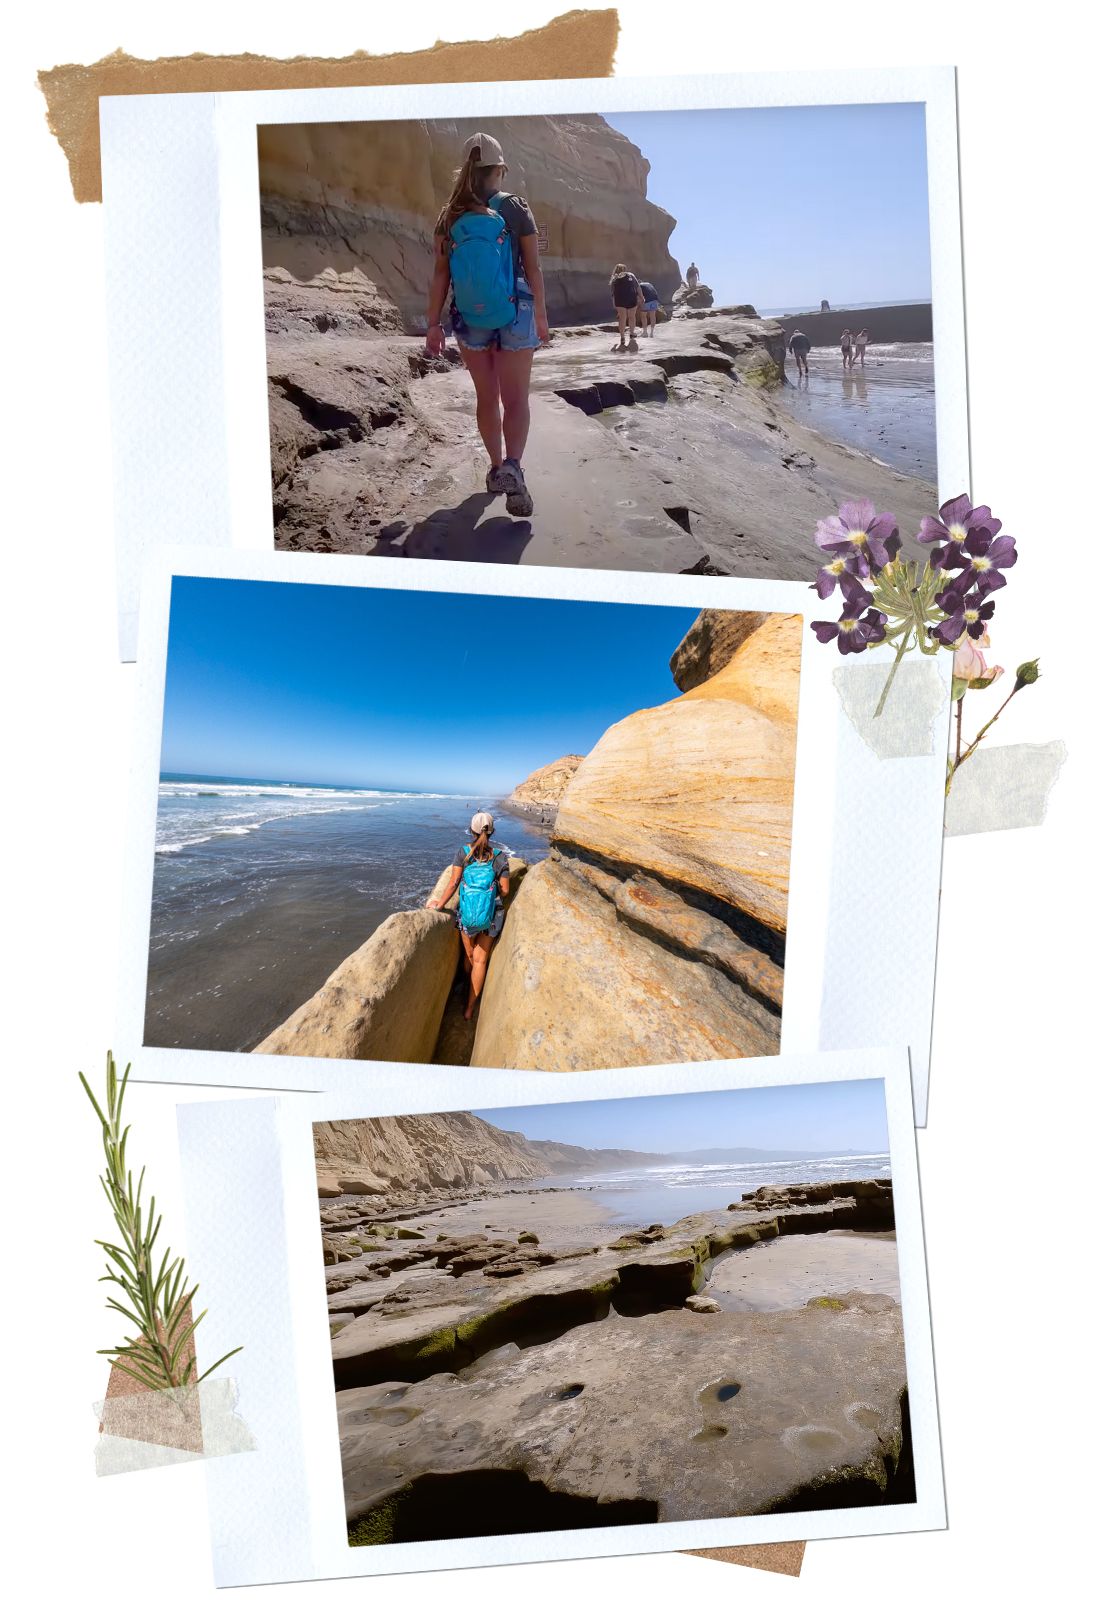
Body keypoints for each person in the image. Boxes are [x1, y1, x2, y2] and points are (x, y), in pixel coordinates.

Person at [425, 132, 550, 519]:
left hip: (470, 317)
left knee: (486, 398)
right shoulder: (515, 207)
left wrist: (433, 324)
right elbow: (532, 267)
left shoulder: (450, 216)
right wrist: (542, 317)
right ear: (499, 169)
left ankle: (497, 468)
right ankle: (514, 466)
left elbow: (441, 275)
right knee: (515, 401)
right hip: (516, 314)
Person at [425, 811, 511, 1021]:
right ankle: (470, 1009)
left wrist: (439, 904)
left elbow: (453, 883)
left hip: (467, 915)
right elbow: (506, 890)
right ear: (492, 831)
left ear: (471, 830)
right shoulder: (500, 857)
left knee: (470, 955)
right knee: (481, 961)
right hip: (491, 915)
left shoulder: (463, 853)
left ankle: (465, 984)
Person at [609, 264, 644, 349]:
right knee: (632, 317)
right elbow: (637, 287)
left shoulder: (614, 278)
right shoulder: (630, 275)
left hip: (620, 301)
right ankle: (632, 333)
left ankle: (622, 337)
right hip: (631, 299)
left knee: (622, 319)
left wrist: (614, 304)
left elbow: (613, 293)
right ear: (625, 269)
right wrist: (642, 297)